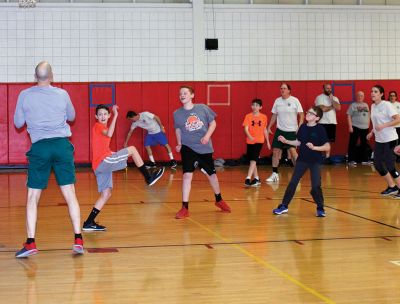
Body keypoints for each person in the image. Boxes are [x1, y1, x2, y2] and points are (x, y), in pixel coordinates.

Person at [14, 61, 84, 257]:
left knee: (32, 197)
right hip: (62, 146)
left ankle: (30, 243)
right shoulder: (62, 94)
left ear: (35, 77)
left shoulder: (24, 95)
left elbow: (18, 123)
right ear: (52, 76)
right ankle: (78, 239)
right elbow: (72, 116)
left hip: (40, 147)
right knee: (70, 193)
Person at [82, 105, 165, 231]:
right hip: (103, 162)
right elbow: (110, 133)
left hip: (100, 165)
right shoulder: (98, 126)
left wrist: (111, 152)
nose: (103, 116)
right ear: (96, 117)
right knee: (132, 149)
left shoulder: (100, 127)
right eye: (100, 114)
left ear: (107, 115)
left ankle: (88, 222)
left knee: (106, 194)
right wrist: (116, 115)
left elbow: (102, 147)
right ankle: (148, 177)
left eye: (105, 114)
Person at [173, 85, 231, 219]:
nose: (182, 95)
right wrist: (179, 143)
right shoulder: (177, 113)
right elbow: (178, 129)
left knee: (212, 176)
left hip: (204, 147)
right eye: (180, 93)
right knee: (187, 176)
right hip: (188, 147)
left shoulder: (203, 108)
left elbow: (213, 124)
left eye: (185, 93)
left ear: (192, 95)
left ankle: (219, 199)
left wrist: (207, 136)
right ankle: (184, 207)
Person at [272, 106, 330, 217]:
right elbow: (298, 142)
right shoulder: (303, 127)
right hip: (302, 160)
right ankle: (284, 206)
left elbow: (327, 147)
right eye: (308, 111)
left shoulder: (320, 129)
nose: (308, 113)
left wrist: (314, 148)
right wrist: (286, 140)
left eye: (311, 113)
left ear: (317, 118)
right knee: (293, 182)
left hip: (315, 161)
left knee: (315, 186)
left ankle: (320, 207)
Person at [266, 83, 304, 183]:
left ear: (289, 90)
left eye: (284, 88)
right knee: (275, 152)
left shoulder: (295, 100)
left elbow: (301, 114)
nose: (282, 90)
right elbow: (274, 115)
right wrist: (269, 126)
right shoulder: (277, 101)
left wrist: (300, 126)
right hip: (280, 131)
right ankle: (275, 174)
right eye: (281, 88)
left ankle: (298, 174)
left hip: (292, 131)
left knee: (293, 153)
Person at [367, 85, 400, 197]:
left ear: (381, 94)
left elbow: (398, 119)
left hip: (390, 139)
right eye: (372, 91)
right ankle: (392, 187)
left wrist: (384, 125)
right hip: (379, 140)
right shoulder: (372, 106)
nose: (372, 93)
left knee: (390, 165)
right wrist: (372, 132)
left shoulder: (387, 105)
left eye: (375, 91)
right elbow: (377, 123)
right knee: (377, 164)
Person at [242, 98, 271, 186]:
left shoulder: (264, 117)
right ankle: (257, 178)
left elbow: (265, 130)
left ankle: (248, 177)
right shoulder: (248, 116)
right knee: (252, 159)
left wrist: (268, 142)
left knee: (253, 160)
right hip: (250, 141)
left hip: (259, 141)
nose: (254, 107)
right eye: (253, 105)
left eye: (257, 105)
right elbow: (246, 128)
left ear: (260, 107)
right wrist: (250, 136)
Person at [315, 83, 341, 163]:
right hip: (322, 122)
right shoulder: (319, 97)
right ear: (323, 89)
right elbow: (323, 109)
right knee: (320, 141)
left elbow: (339, 108)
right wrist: (332, 106)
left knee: (328, 141)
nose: (329, 90)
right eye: (327, 88)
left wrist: (332, 100)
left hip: (332, 122)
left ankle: (327, 157)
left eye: (330, 88)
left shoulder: (334, 98)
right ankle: (319, 157)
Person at [346, 91, 370, 165]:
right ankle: (351, 160)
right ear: (356, 96)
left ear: (364, 97)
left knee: (364, 144)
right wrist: (350, 126)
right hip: (355, 127)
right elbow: (348, 116)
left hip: (365, 128)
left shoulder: (366, 105)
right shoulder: (353, 105)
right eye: (359, 95)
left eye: (362, 96)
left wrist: (368, 125)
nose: (360, 97)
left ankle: (365, 160)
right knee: (352, 143)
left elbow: (368, 115)